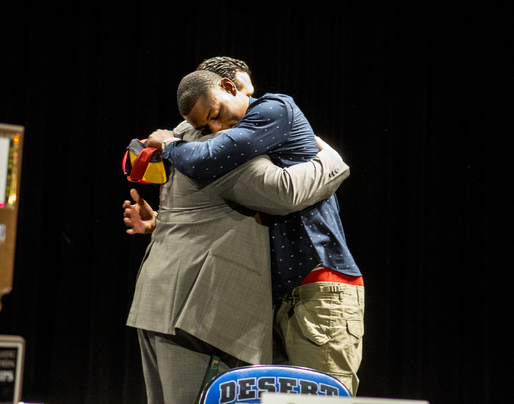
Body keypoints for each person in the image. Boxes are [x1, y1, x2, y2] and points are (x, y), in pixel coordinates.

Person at [148, 68, 364, 395]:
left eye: (216, 115)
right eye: (206, 126)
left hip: (318, 283)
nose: (217, 129)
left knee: (322, 401)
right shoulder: (240, 135)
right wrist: (158, 222)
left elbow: (275, 190)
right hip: (274, 296)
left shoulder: (273, 109)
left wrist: (169, 145)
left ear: (229, 86)